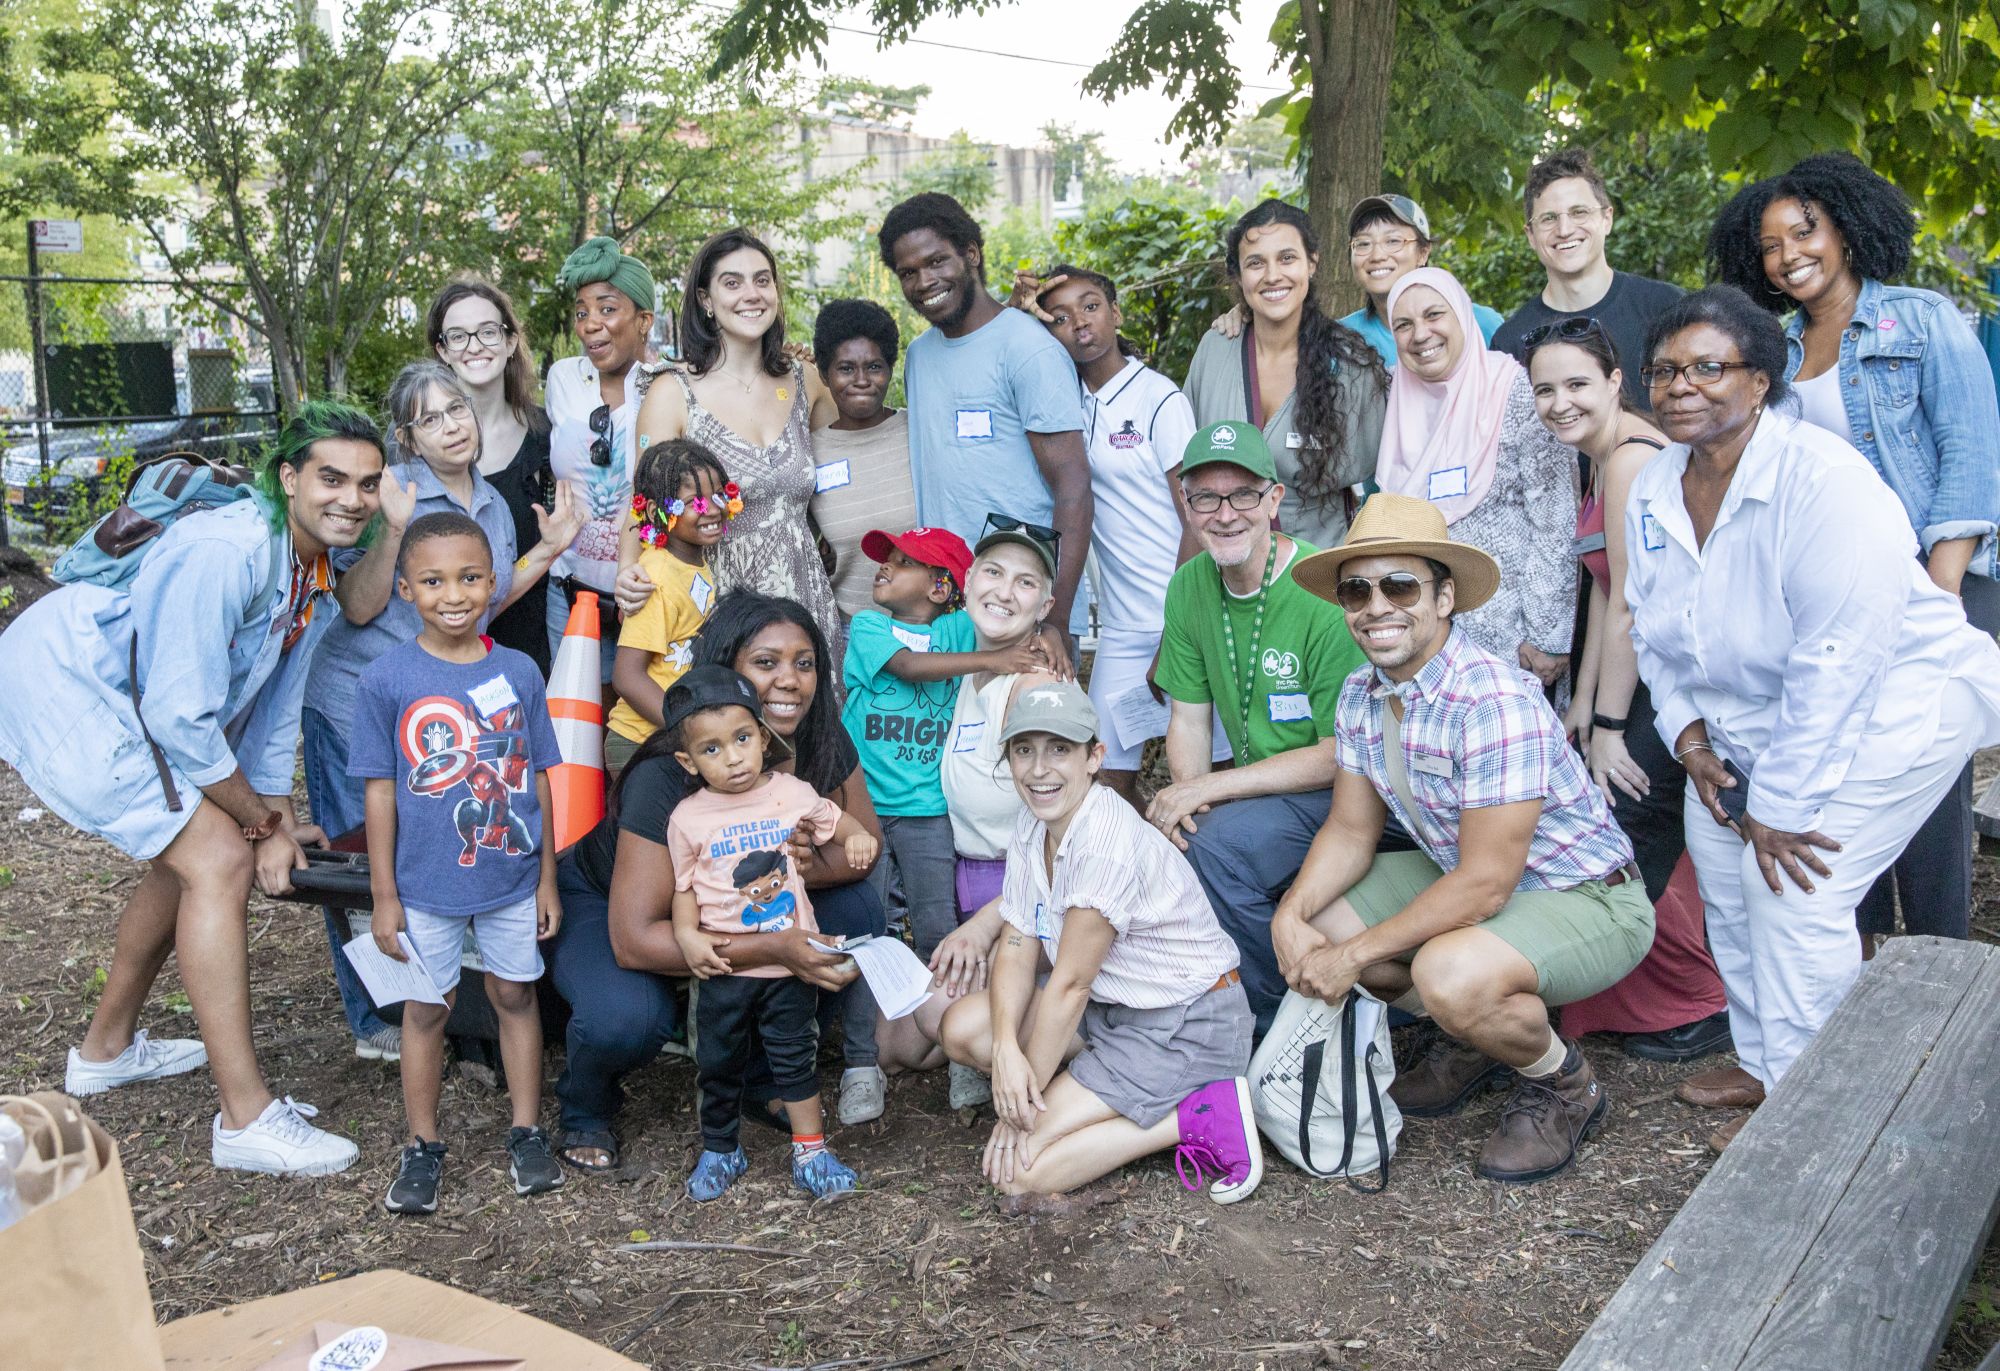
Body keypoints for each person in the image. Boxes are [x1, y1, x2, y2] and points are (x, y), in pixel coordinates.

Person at [1625, 286, 2000, 1149]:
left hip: (1894, 708)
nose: (1682, 385)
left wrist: (1780, 806)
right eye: (1666, 371)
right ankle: (1765, 1064)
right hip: (1738, 721)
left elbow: (1840, 662)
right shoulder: (1654, 484)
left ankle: (1809, 1117)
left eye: (1708, 367)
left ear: (1759, 380)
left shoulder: (1825, 479)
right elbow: (1652, 624)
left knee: (1798, 894)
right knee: (1726, 880)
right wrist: (1688, 737)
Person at [0, 401, 385, 1176]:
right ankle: (245, 1118)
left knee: (190, 852)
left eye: (369, 484)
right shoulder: (229, 548)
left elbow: (276, 706)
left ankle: (105, 1050)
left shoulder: (312, 565)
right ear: (289, 477)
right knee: (218, 859)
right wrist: (257, 827)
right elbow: (178, 713)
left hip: (136, 700)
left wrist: (273, 810)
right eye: (332, 478)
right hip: (72, 685)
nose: (352, 498)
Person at [1276, 495, 1654, 1183]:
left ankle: (1565, 1085)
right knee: (1322, 923)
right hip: (1489, 884)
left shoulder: (1493, 699)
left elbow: (1486, 882)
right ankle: (1478, 1037)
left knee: (1443, 970)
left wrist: (1356, 954)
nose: (1375, 605)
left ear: (1445, 597)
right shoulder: (1363, 691)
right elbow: (1351, 829)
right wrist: (1290, 913)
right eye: (1356, 589)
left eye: (1400, 585)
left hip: (1589, 898)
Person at [1708, 151, 2000, 951]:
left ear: (1846, 227)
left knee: (1924, 781)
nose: (1789, 253)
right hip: (1838, 599)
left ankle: (1942, 963)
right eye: (1770, 244)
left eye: (1805, 230)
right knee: (1842, 773)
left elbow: (1971, 456)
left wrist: (1937, 591)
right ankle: (1855, 962)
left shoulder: (1921, 317)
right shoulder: (1777, 353)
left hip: (1938, 583)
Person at [543, 593, 886, 1167]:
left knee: (858, 914)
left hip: (742, 903)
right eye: (766, 662)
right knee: (627, 1018)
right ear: (723, 668)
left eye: (805, 663)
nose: (790, 682)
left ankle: (758, 1074)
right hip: (611, 904)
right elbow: (635, 939)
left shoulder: (821, 735)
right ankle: (585, 1106)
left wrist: (800, 865)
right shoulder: (665, 774)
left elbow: (864, 852)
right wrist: (777, 947)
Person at [305, 361, 580, 1062]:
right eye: (431, 418)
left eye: (457, 408)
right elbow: (362, 604)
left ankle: (436, 1004)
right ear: (408, 437)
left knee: (434, 845)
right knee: (359, 860)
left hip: (441, 710)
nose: (453, 425)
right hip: (359, 698)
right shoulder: (393, 495)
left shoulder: (488, 499)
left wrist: (550, 547)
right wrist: (395, 530)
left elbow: (484, 601)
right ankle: (376, 1018)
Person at [932, 680, 1262, 1208]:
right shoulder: (1033, 821)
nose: (1039, 769)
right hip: (1114, 1011)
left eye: (1059, 749)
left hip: (1187, 1024)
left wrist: (1021, 1107)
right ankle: (1095, 1097)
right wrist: (1007, 1049)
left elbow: (1069, 986)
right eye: (1024, 750)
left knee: (1021, 1173)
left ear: (1094, 757)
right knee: (965, 1028)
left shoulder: (1103, 839)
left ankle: (1197, 1113)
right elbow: (1016, 942)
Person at [1524, 319, 1731, 1062]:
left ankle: (1696, 1000)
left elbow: (1631, 606)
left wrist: (1607, 722)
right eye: (1544, 388)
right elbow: (1600, 597)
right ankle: (1634, 1002)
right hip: (1628, 679)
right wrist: (1580, 704)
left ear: (1617, 380)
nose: (1559, 402)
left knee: (1626, 825)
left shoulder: (1630, 461)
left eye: (1577, 383)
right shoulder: (1599, 457)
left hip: (1664, 684)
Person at [351, 512, 566, 1213]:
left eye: (471, 577)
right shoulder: (386, 678)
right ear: (406, 589)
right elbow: (379, 791)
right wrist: (385, 894)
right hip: (423, 884)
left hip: (509, 877)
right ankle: (422, 1145)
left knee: (514, 995)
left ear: (493, 580)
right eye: (435, 580)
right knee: (428, 1007)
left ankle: (527, 1130)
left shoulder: (520, 670)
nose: (455, 593)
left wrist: (546, 879)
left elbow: (539, 779)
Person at [1145, 422, 1366, 1034]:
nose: (1225, 514)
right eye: (1206, 498)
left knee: (1217, 845)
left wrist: (1208, 794)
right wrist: (1190, 801)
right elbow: (1188, 717)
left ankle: (1272, 1025)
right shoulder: (1190, 585)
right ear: (1186, 507)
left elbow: (1338, 754)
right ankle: (1210, 999)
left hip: (1340, 790)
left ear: (1274, 500)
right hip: (1266, 791)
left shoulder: (1323, 593)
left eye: (1243, 495)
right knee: (1186, 839)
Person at [665, 665, 879, 1200]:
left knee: (794, 1055)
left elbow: (837, 820)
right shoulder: (687, 818)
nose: (733, 757)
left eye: (741, 739)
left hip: (791, 964)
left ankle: (811, 1149)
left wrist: (856, 841)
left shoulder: (790, 791)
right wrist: (688, 936)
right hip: (726, 967)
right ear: (688, 762)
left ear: (762, 737)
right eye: (712, 750)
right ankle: (721, 1147)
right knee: (716, 1060)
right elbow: (684, 887)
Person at [1023, 264, 1224, 801]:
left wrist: (1177, 631)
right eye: (1060, 317)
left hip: (1183, 617)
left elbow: (1196, 518)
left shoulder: (1159, 399)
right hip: (1120, 629)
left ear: (1116, 313)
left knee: (1208, 777)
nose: (1080, 324)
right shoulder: (1061, 401)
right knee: (1106, 781)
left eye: (1091, 306)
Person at [878, 192, 1090, 663]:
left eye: (936, 261)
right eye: (908, 272)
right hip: (947, 611)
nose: (924, 282)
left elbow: (1073, 485)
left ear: (971, 254)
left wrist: (1053, 622)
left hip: (1022, 614)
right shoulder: (919, 357)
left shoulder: (1026, 348)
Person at [633, 229, 843, 649]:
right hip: (717, 606)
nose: (752, 293)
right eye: (732, 283)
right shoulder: (673, 393)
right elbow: (643, 509)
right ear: (705, 300)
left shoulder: (808, 381)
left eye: (762, 280)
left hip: (806, 603)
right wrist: (630, 574)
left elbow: (843, 480)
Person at [842, 527, 1042, 965]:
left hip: (928, 811)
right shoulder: (868, 625)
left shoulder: (959, 630)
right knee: (871, 927)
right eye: (888, 558)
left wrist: (1053, 640)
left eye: (904, 562)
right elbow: (908, 666)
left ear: (940, 587)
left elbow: (1013, 623)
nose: (886, 566)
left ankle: (941, 1020)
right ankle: (867, 1033)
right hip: (863, 808)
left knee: (937, 925)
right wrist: (991, 660)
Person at [1376, 267, 1579, 685]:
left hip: (1514, 647)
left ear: (1463, 315)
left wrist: (1547, 636)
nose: (1420, 334)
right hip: (1423, 647)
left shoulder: (1514, 389)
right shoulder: (1395, 400)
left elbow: (1556, 518)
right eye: (1403, 324)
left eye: (1434, 315)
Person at [1181, 198, 1387, 550]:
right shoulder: (1216, 351)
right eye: (1256, 263)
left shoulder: (1351, 364)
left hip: (1320, 574)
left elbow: (1383, 482)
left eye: (1287, 258)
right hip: (1228, 568)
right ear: (1239, 275)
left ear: (1312, 263)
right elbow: (1190, 468)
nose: (1273, 275)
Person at [426, 276, 556, 672]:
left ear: (510, 342)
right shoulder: (418, 443)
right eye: (458, 336)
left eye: (487, 331)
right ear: (443, 351)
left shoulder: (547, 437)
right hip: (441, 661)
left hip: (528, 654)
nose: (475, 346)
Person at [1489, 147, 1684, 410]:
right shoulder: (1511, 342)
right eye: (1548, 218)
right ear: (1531, 236)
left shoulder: (1667, 307)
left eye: (1579, 212)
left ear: (1606, 219)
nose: (1565, 230)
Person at [547, 236, 659, 678]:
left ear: (644, 319)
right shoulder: (562, 379)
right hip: (571, 595)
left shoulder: (670, 385)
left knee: (642, 731)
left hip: (646, 596)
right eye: (581, 312)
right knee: (574, 731)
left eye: (608, 309)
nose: (590, 323)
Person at [605, 439, 733, 770]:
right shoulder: (656, 576)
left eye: (719, 495)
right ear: (654, 512)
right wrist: (689, 729)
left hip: (672, 736)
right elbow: (627, 676)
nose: (714, 509)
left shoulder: (691, 563)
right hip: (641, 742)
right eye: (695, 502)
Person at [809, 300, 917, 621]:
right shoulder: (809, 453)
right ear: (824, 374)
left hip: (929, 629)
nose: (861, 380)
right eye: (845, 368)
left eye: (874, 366)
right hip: (849, 632)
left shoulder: (919, 432)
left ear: (889, 369)